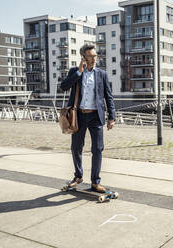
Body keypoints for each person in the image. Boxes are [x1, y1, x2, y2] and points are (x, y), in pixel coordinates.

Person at [60, 44, 115, 193]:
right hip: (78, 116)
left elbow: (108, 96)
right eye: (91, 56)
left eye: (95, 56)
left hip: (96, 116)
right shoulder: (75, 72)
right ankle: (78, 176)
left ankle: (95, 182)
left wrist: (112, 117)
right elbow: (63, 87)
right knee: (76, 148)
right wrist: (79, 72)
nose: (94, 59)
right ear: (83, 57)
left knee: (97, 149)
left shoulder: (101, 74)